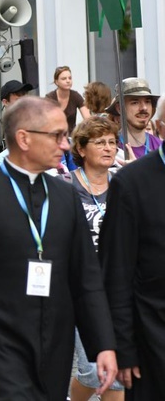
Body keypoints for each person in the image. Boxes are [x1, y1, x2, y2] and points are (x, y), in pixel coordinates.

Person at [0, 96, 118, 400]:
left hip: (54, 351)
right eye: (57, 135)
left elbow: (86, 279)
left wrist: (103, 345)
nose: (65, 145)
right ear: (23, 138)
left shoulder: (66, 197)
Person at [99, 107, 165, 399]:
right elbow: (116, 271)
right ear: (161, 127)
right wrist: (122, 347)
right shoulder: (131, 183)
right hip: (153, 340)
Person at [68, 117, 124, 401]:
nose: (108, 148)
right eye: (100, 142)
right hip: (80, 289)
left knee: (116, 375)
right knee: (92, 370)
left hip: (118, 289)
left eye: (112, 142)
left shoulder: (124, 187)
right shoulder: (65, 187)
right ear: (81, 147)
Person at [105, 77, 161, 160]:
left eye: (147, 101)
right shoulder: (108, 148)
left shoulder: (160, 148)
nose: (144, 108)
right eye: (135, 102)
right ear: (119, 108)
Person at [46, 66, 90, 133]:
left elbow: (88, 118)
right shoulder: (50, 97)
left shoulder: (75, 96)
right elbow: (45, 120)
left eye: (70, 78)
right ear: (56, 82)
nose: (68, 81)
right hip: (54, 135)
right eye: (64, 79)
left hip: (71, 137)